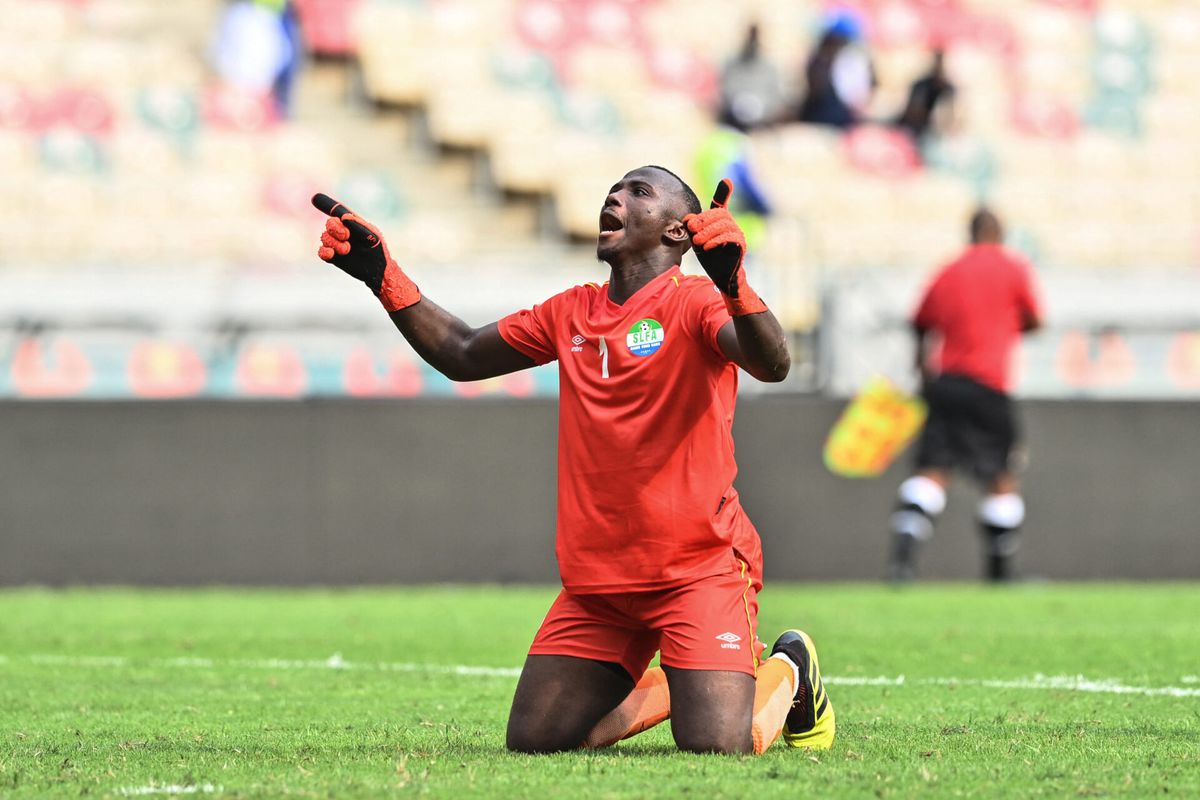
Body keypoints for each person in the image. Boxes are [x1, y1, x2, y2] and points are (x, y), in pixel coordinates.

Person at [310, 166, 835, 755]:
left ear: (678, 234)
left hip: (699, 569)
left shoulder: (698, 304)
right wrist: (383, 276)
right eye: (614, 189)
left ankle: (788, 670)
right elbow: (460, 353)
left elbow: (773, 363)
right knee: (537, 741)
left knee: (717, 747)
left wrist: (736, 284)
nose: (615, 196)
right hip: (600, 583)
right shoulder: (570, 313)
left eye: (640, 192)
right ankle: (684, 685)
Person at [887, 209, 1043, 583]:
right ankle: (1001, 573)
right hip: (989, 384)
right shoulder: (1012, 267)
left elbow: (921, 323)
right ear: (1000, 233)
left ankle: (902, 563)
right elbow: (1034, 319)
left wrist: (921, 370)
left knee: (932, 473)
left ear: (970, 233)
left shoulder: (948, 270)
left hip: (946, 384)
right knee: (1001, 476)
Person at [796, 11, 875, 129]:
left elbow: (857, 99)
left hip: (843, 121)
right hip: (817, 119)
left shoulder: (853, 62)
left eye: (834, 41)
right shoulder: (818, 62)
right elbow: (813, 91)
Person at [717, 24, 785, 133]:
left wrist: (762, 107)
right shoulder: (732, 63)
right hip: (733, 121)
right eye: (750, 36)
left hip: (762, 122)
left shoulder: (769, 67)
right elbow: (725, 90)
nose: (752, 40)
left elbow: (775, 96)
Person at [893, 50, 957, 148]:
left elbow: (949, 116)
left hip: (934, 134)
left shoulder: (948, 88)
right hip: (916, 130)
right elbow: (914, 111)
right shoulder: (921, 85)